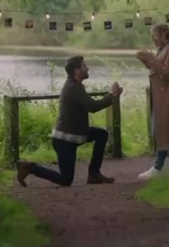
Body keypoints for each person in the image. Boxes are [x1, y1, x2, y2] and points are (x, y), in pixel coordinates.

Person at [16, 55, 123, 187]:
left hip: (76, 134)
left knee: (101, 134)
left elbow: (90, 105)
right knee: (66, 180)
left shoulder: (75, 86)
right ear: (77, 70)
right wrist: (111, 95)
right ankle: (29, 168)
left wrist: (111, 96)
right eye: (84, 66)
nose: (88, 68)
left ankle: (94, 174)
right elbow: (93, 107)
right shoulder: (73, 88)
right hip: (64, 140)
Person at [135, 23, 169, 180]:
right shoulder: (163, 50)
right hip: (160, 96)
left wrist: (153, 61)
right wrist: (147, 61)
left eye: (155, 37)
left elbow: (167, 75)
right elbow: (157, 72)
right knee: (163, 128)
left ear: (163, 35)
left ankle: (158, 166)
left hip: (167, 95)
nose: (153, 40)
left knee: (164, 128)